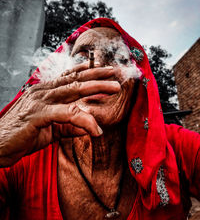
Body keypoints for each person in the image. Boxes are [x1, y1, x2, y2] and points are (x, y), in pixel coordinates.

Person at [0, 18, 199, 220]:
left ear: (139, 85)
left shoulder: (175, 147)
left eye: (118, 58)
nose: (96, 69)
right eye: (81, 58)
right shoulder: (21, 156)